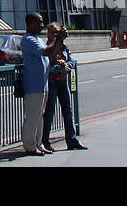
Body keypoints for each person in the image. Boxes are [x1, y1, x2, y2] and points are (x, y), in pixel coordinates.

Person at [41, 23, 87, 151]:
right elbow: (48, 64)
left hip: (62, 82)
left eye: (56, 32)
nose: (54, 35)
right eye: (51, 32)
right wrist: (60, 67)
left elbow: (72, 61)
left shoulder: (64, 46)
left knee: (68, 111)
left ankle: (71, 140)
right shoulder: (47, 47)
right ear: (47, 34)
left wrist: (67, 65)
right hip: (51, 82)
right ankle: (45, 141)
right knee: (49, 113)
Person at [20, 13, 55, 156]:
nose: (42, 25)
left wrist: (58, 41)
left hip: (43, 85)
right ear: (30, 23)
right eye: (39, 23)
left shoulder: (38, 39)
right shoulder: (28, 39)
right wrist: (57, 39)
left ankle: (38, 144)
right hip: (33, 85)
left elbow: (51, 53)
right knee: (32, 117)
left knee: (39, 117)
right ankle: (29, 146)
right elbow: (46, 51)